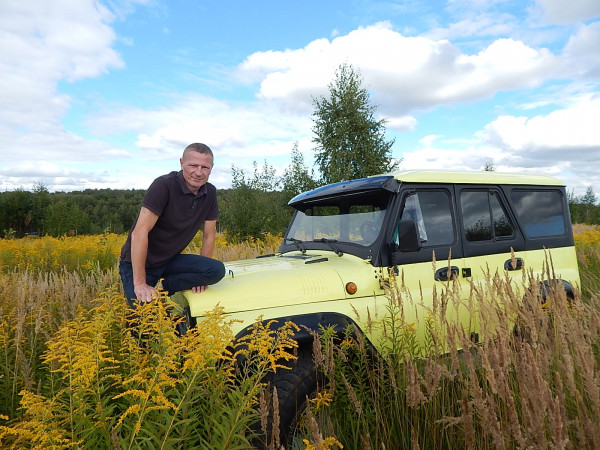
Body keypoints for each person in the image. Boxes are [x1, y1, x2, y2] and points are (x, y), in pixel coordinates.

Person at [119, 143, 226, 309]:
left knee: (216, 270)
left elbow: (208, 235)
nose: (198, 172)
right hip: (140, 262)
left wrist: (200, 278)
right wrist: (140, 283)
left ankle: (166, 287)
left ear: (212, 168)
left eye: (205, 167)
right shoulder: (164, 185)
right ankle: (148, 295)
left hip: (169, 260)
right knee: (143, 319)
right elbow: (140, 232)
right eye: (193, 165)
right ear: (182, 163)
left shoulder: (210, 192)